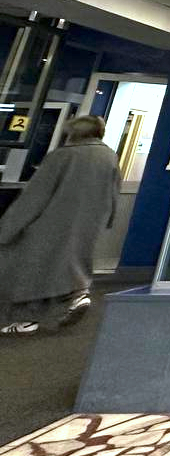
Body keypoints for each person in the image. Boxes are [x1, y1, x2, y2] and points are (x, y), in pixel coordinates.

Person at [0, 116, 119, 336]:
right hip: (88, 223)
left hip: (50, 222)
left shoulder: (62, 156)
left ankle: (27, 318)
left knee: (29, 267)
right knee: (66, 265)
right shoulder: (109, 156)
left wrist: (8, 228)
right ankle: (76, 294)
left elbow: (35, 196)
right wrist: (108, 218)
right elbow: (113, 191)